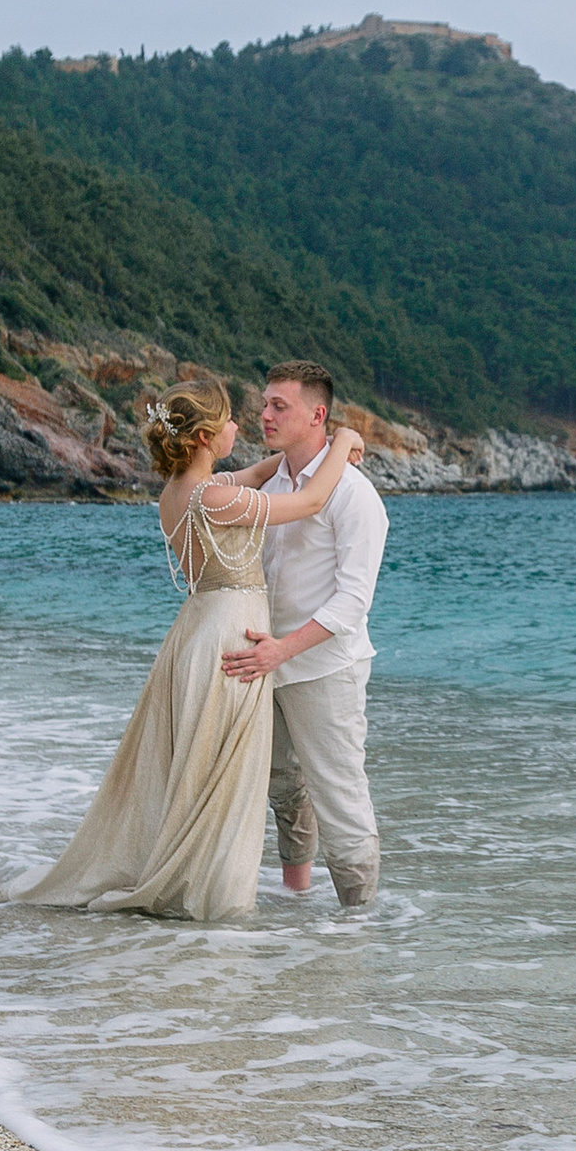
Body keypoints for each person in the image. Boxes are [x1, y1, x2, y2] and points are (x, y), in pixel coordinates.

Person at [14, 377, 365, 923]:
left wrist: (304, 449)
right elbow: (312, 499)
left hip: (197, 628)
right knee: (224, 767)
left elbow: (260, 472)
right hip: (231, 632)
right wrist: (342, 442)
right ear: (203, 435)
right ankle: (208, 888)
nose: (239, 427)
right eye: (228, 421)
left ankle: (204, 875)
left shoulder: (181, 493)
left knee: (203, 759)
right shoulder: (217, 498)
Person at [217, 360, 389, 907]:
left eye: (278, 406)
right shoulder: (274, 481)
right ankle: (297, 903)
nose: (263, 414)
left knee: (340, 797)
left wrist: (283, 651)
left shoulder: (354, 496)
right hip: (264, 658)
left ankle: (358, 927)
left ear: (317, 415)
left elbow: (353, 603)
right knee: (284, 790)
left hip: (323, 666)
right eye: (265, 403)